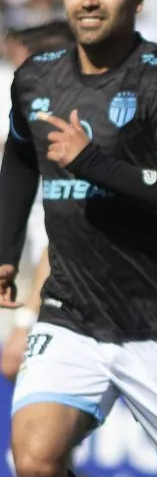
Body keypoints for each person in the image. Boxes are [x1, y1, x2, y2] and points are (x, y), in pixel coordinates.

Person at [0, 0, 157, 477]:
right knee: (33, 457)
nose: (89, 0)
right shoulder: (37, 77)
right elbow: (20, 158)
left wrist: (92, 162)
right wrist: (4, 249)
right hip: (70, 314)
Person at [1, 21, 76, 383]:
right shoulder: (36, 142)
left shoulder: (71, 146)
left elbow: (60, 242)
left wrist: (26, 323)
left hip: (70, 321)